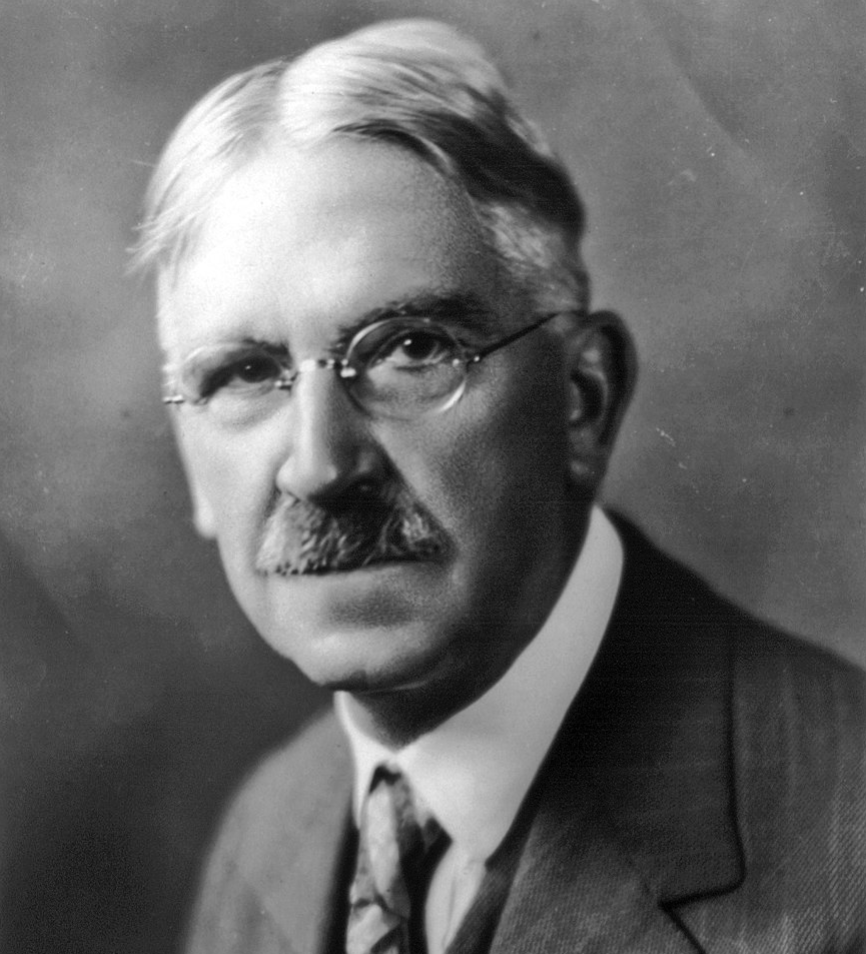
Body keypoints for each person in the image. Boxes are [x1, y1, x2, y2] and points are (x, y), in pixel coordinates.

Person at [133, 19, 865, 954]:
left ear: (582, 399)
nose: (319, 466)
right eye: (243, 374)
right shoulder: (270, 828)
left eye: (409, 349)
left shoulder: (843, 842)